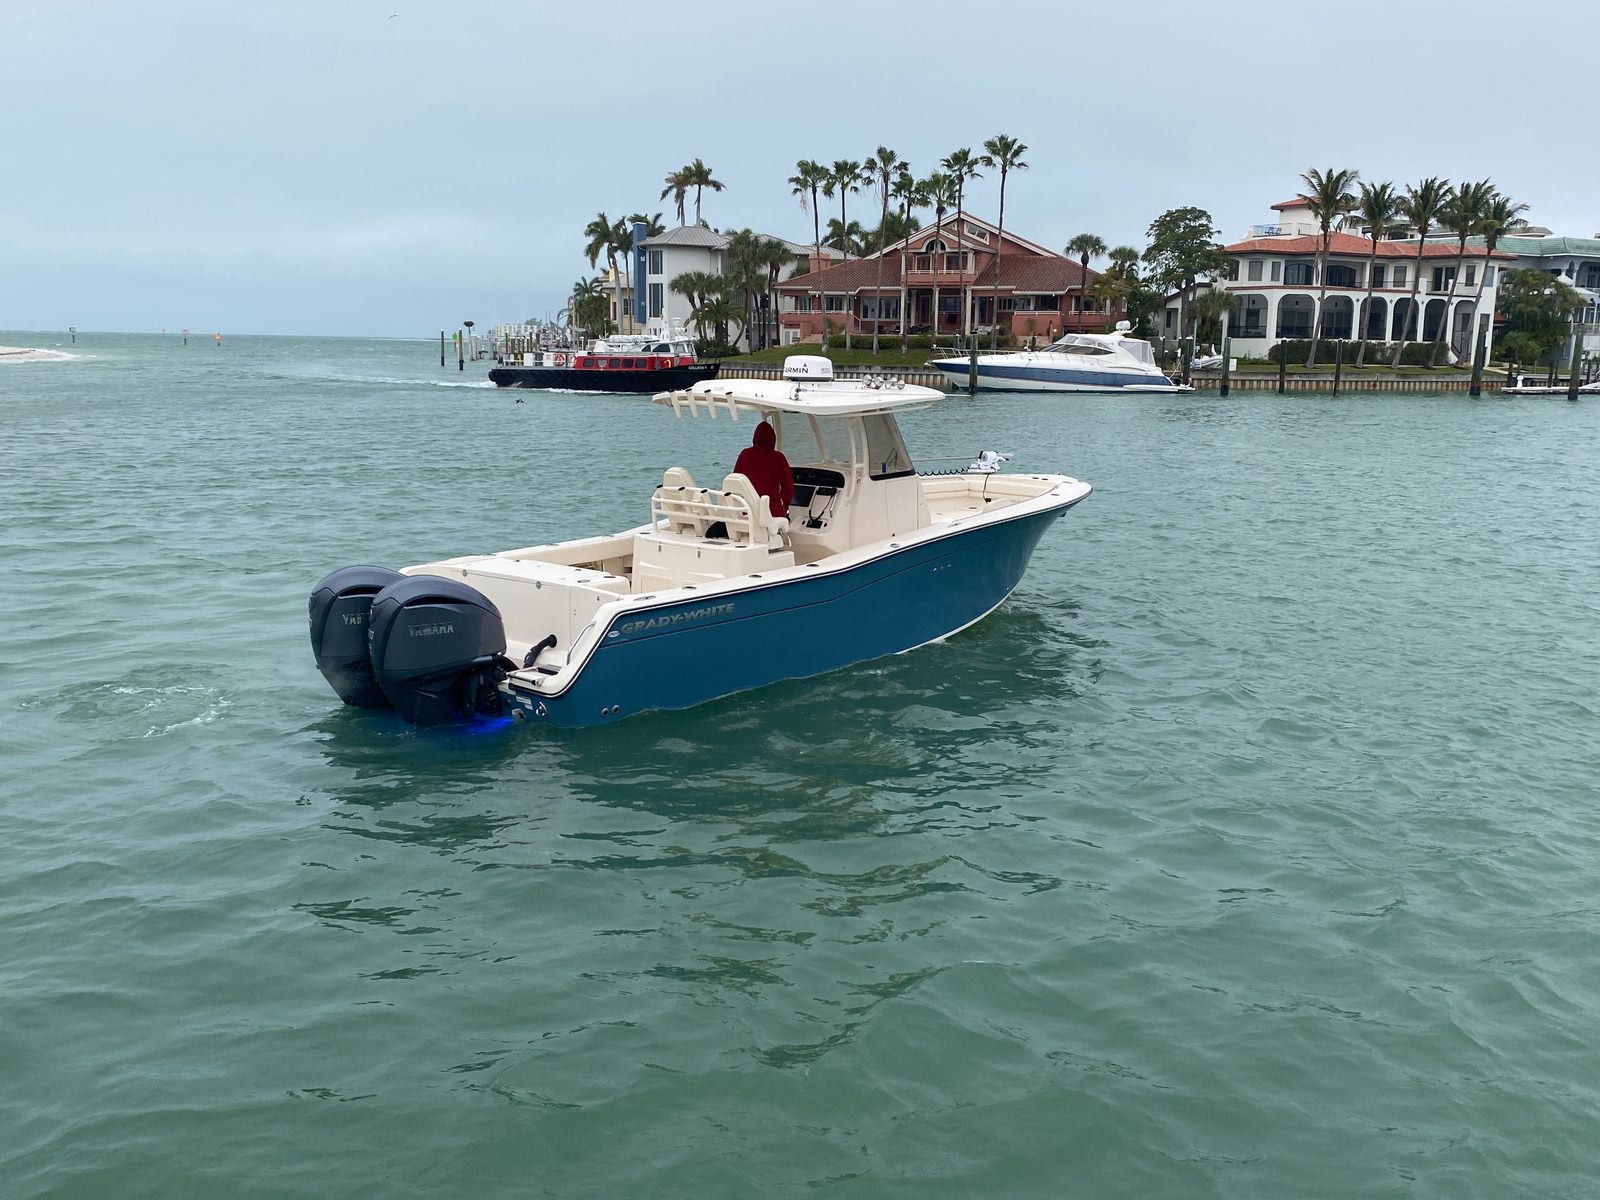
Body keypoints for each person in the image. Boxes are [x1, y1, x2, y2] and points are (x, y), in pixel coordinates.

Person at [733, 419, 793, 518]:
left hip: (748, 511)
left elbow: (735, 481)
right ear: (773, 438)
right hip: (771, 510)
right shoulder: (778, 458)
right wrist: (785, 506)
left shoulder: (745, 454)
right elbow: (788, 489)